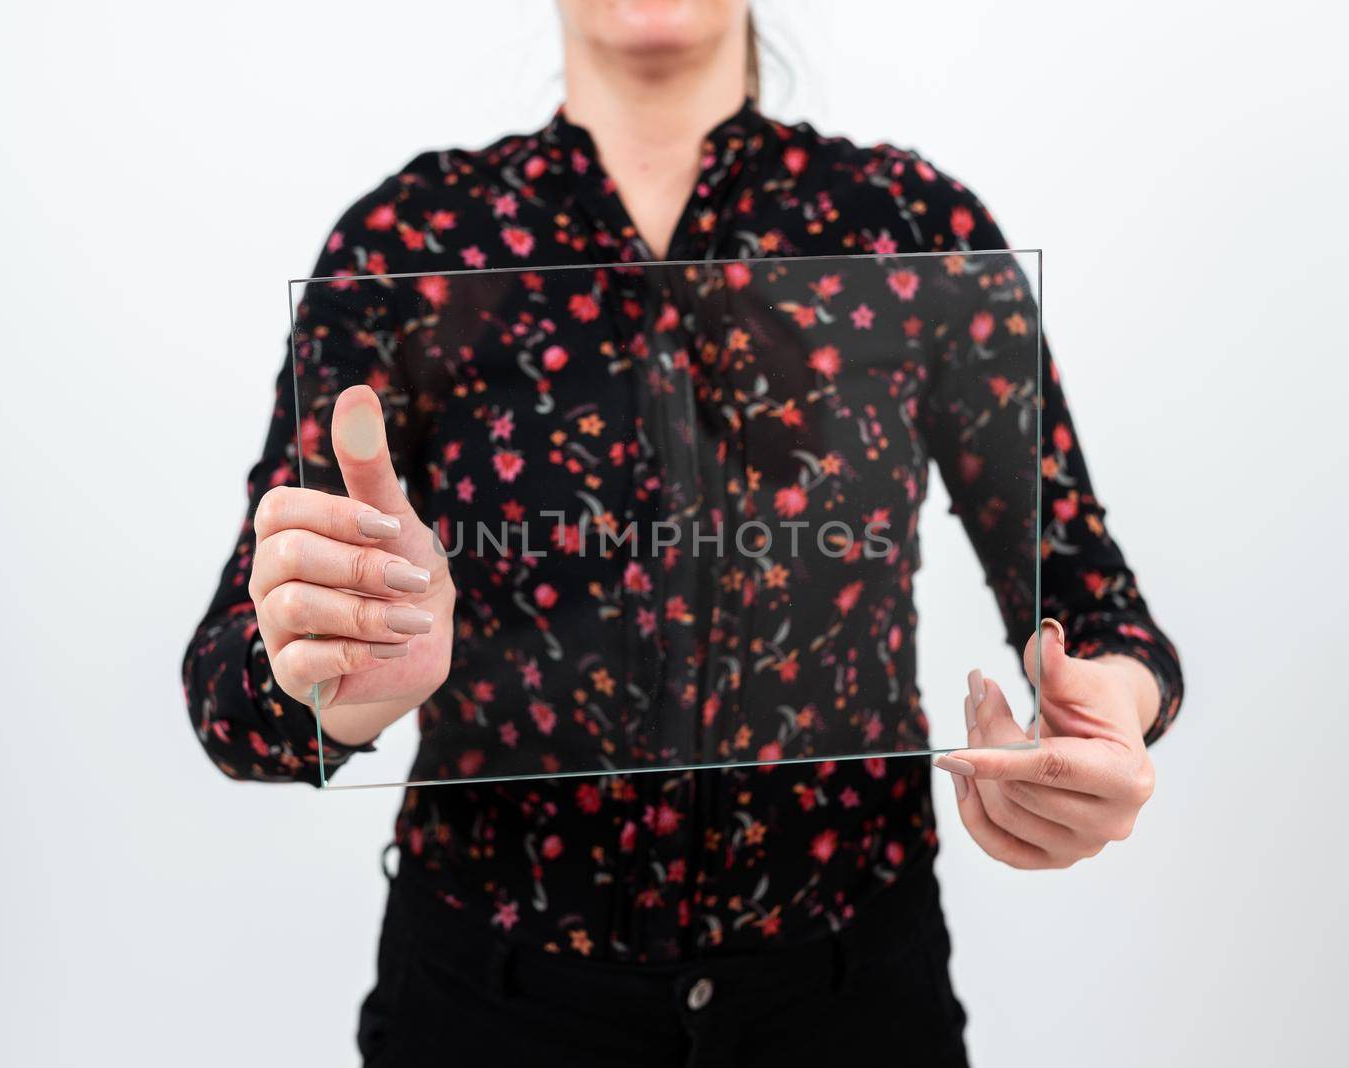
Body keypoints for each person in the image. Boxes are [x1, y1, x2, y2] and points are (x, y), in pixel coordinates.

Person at [183, 2, 1183, 1063]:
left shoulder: (910, 230)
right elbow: (232, 698)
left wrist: (1102, 717)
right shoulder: (409, 245)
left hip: (849, 1008)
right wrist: (333, 682)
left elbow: (1094, 605)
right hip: (488, 1009)